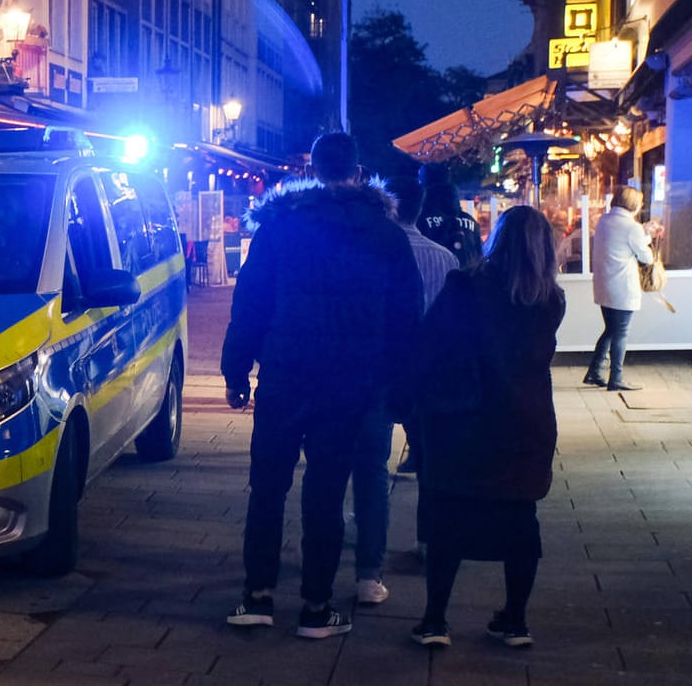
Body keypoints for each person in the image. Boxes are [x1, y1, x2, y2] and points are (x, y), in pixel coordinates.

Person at [222, 133, 424, 639]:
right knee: (327, 489)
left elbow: (250, 301)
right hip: (349, 380)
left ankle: (257, 595)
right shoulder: (385, 233)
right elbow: (405, 317)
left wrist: (236, 369)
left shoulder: (279, 228)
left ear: (312, 170)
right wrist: (398, 382)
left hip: (286, 372)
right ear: (358, 172)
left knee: (267, 485)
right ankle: (316, 606)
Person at [408, 205, 566, 649]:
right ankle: (515, 619)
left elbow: (431, 343)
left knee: (449, 519)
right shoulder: (550, 300)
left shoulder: (467, 286)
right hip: (525, 421)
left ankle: (435, 620)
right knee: (520, 519)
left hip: (465, 420)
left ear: (498, 240)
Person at [350, 177, 456, 606]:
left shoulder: (370, 252)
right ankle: (428, 540)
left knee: (369, 464)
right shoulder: (445, 258)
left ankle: (362, 545)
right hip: (428, 374)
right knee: (430, 461)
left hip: (377, 370)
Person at [585, 186, 655, 391]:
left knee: (610, 330)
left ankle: (594, 371)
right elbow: (646, 257)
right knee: (621, 333)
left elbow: (623, 243)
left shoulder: (604, 221)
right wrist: (647, 235)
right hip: (622, 287)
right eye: (640, 202)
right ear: (633, 204)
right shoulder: (631, 227)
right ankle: (616, 378)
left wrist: (644, 234)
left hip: (604, 285)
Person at [417, 164, 484, 269]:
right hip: (468, 282)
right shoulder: (470, 221)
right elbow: (480, 256)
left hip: (436, 281)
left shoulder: (419, 219)